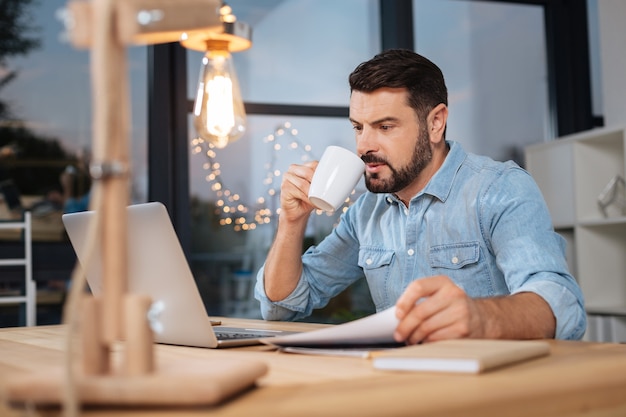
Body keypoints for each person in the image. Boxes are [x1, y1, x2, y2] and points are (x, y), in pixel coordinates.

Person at [254, 49, 586, 343]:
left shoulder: (499, 189)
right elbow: (282, 306)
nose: (363, 145)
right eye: (358, 127)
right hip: (401, 388)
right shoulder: (366, 212)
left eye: (384, 127)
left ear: (436, 123)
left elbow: (560, 304)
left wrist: (480, 318)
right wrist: (292, 221)